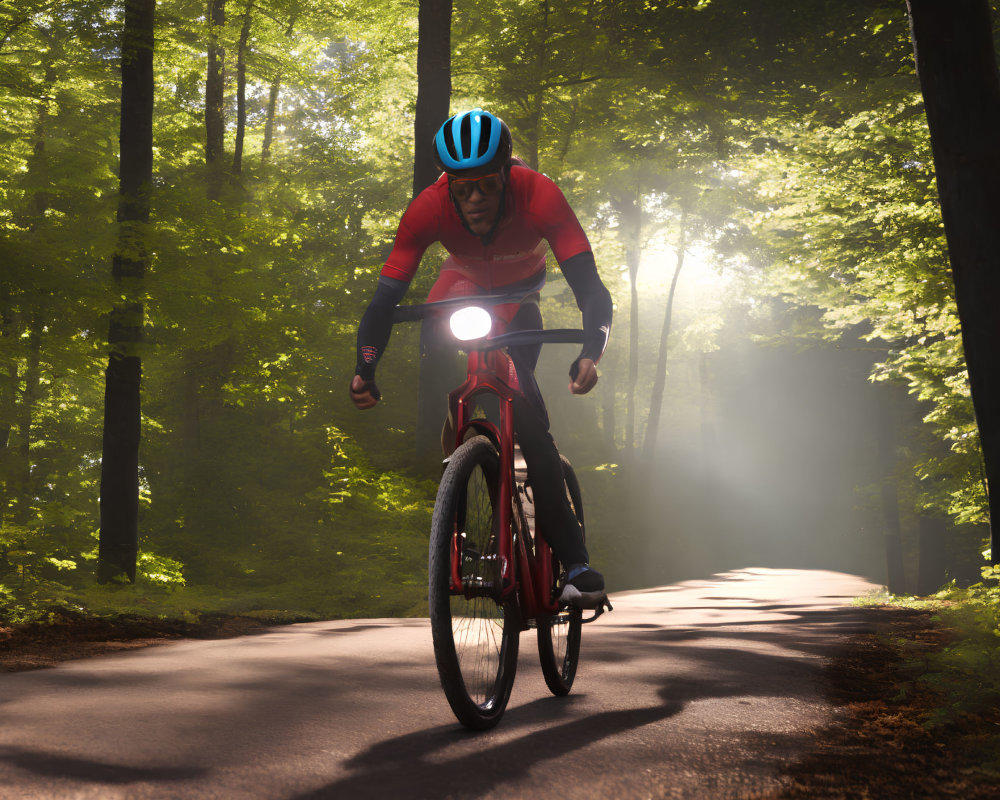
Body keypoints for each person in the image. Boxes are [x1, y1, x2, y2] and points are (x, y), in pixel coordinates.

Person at [349, 108, 613, 608]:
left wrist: (591, 352)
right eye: (461, 188)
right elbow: (383, 302)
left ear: (507, 174)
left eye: (486, 187)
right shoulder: (428, 206)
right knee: (446, 362)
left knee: (529, 418)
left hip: (520, 299)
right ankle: (461, 477)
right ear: (446, 183)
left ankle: (575, 562)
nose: (473, 200)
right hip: (462, 290)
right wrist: (365, 368)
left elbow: (592, 291)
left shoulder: (539, 194)